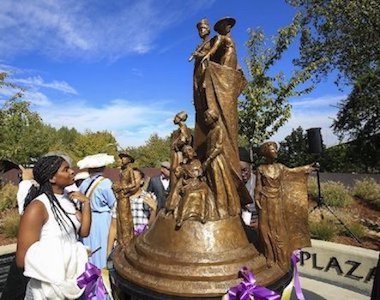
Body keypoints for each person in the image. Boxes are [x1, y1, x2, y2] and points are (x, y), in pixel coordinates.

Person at [15, 155, 91, 299]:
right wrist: (75, 253)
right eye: (65, 169)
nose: (72, 172)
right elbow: (22, 259)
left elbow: (84, 232)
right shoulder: (38, 207)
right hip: (46, 290)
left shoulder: (69, 200)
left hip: (70, 283)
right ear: (52, 178)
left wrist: (86, 204)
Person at [255, 141, 314, 269]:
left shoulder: (280, 167)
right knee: (265, 229)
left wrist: (306, 168)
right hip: (265, 201)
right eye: (272, 150)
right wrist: (256, 198)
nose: (275, 152)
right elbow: (258, 186)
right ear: (266, 152)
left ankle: (280, 256)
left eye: (276, 150)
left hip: (277, 202)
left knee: (278, 229)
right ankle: (269, 255)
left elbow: (293, 172)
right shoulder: (260, 169)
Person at [78, 153, 117, 269]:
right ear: (103, 168)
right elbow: (113, 203)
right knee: (102, 246)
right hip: (102, 219)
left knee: (88, 246)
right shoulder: (105, 183)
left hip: (87, 217)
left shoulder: (84, 182)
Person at [203, 109, 240, 219]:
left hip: (216, 161)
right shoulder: (210, 132)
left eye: (207, 117)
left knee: (220, 186)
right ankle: (215, 209)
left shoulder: (219, 129)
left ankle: (223, 210)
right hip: (210, 161)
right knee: (213, 185)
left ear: (213, 118)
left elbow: (218, 147)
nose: (205, 120)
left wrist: (208, 160)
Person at [129, 168, 157, 232]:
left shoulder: (149, 198)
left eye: (134, 179)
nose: (131, 182)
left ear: (141, 181)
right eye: (129, 179)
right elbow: (113, 226)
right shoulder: (121, 199)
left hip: (142, 238)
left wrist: (153, 210)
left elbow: (152, 225)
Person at [170, 111, 193, 190]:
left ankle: (175, 191)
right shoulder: (181, 128)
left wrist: (175, 145)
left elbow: (183, 140)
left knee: (175, 171)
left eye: (176, 117)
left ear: (180, 119)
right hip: (177, 153)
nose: (174, 119)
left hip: (178, 154)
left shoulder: (183, 127)